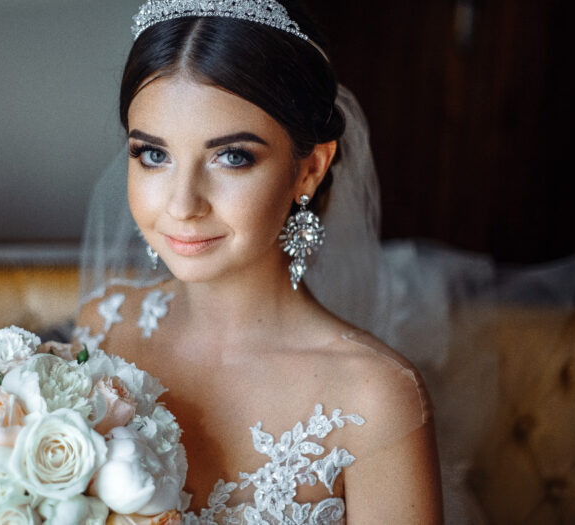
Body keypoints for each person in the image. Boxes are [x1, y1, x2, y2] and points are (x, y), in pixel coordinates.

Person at [76, 1, 444, 522]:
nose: (183, 205)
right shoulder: (104, 326)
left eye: (232, 157)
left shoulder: (376, 398)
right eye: (153, 155)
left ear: (310, 169)